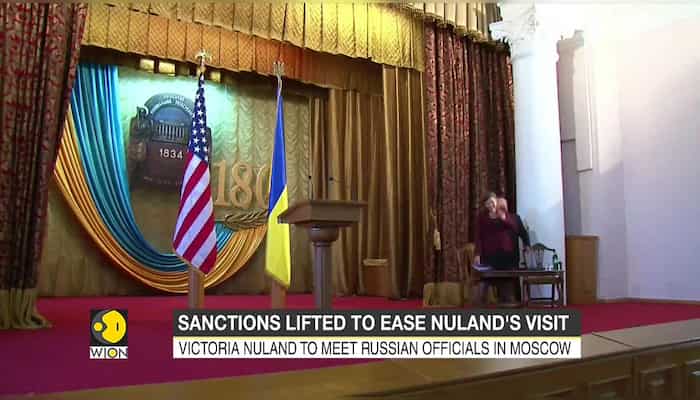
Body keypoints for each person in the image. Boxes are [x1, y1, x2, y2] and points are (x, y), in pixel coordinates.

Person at [473, 192, 529, 304]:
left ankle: (507, 307)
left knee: (506, 291)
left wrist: (503, 218)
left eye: (492, 202)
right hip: (489, 259)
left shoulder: (511, 217)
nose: (490, 205)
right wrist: (477, 253)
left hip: (506, 260)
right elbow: (478, 237)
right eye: (487, 203)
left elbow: (519, 230)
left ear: (497, 201)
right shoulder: (482, 218)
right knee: (482, 288)